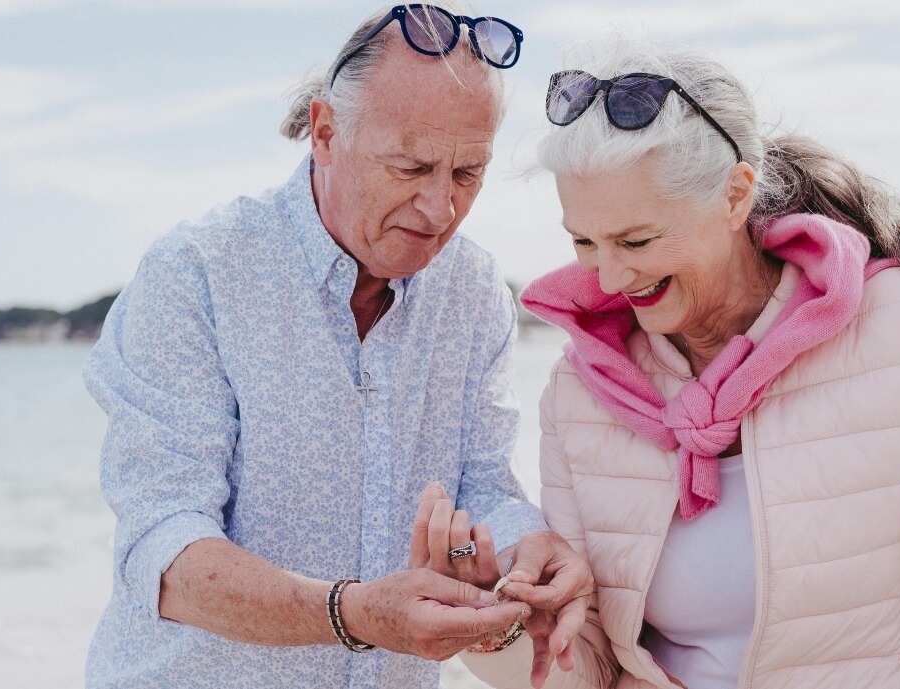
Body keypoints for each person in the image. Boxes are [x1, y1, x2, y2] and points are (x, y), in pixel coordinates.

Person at [443, 45, 900, 688]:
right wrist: (492, 626)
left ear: (735, 196)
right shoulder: (579, 388)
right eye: (584, 241)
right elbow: (591, 666)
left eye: (637, 241)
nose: (609, 274)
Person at [81, 4, 590, 687]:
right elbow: (165, 555)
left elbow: (484, 484)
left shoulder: (473, 290)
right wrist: (351, 613)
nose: (440, 209)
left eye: (468, 174)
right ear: (325, 132)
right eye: (411, 166)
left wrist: (529, 550)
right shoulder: (197, 273)